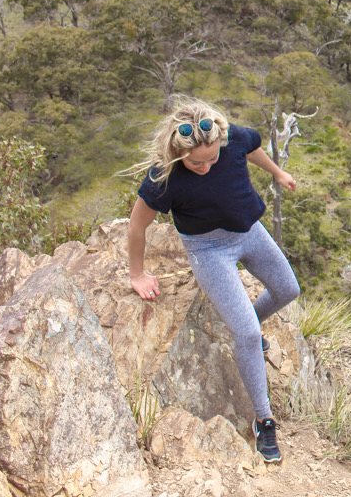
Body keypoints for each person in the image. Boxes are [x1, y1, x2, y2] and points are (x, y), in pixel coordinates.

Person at [125, 96, 299, 464]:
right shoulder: (164, 174)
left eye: (211, 159)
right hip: (208, 250)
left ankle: (246, 327)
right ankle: (264, 419)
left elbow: (253, 150)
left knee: (288, 290)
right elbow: (137, 226)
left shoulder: (231, 137)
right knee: (249, 335)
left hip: (249, 231)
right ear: (178, 151)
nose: (203, 167)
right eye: (194, 162)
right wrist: (137, 274)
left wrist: (277, 173)